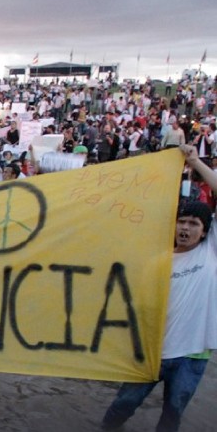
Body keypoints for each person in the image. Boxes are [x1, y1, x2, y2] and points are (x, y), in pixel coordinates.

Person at [101, 145, 217, 432]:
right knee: (123, 404)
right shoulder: (157, 259)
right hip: (151, 348)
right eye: (181, 222)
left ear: (205, 231)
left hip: (192, 355)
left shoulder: (210, 252)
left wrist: (195, 162)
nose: (186, 229)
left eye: (193, 224)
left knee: (173, 412)